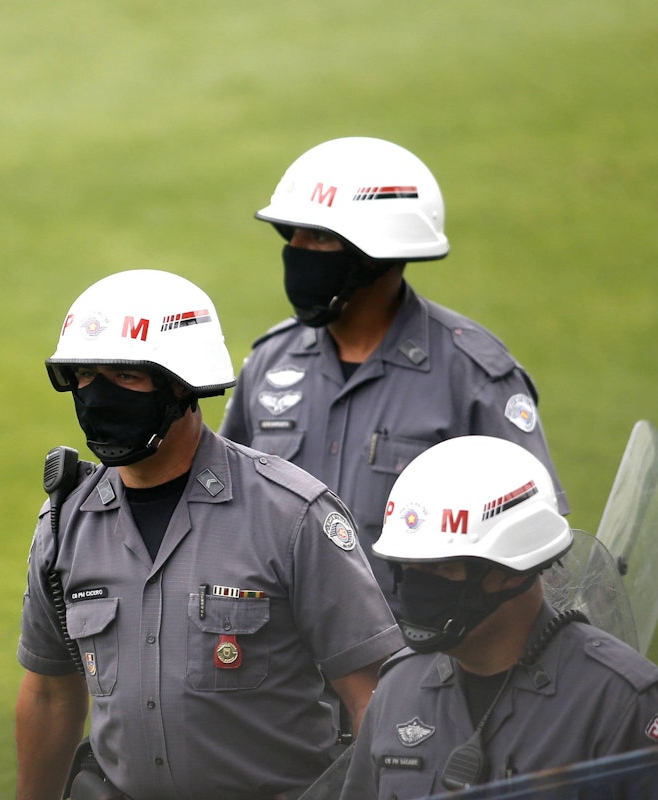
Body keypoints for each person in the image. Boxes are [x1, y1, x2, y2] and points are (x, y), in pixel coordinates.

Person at [15, 269, 403, 800]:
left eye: (125, 377)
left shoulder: (290, 513)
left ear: (183, 384)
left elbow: (374, 695)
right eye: (83, 375)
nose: (97, 396)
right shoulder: (66, 524)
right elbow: (51, 693)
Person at [219, 136, 568, 613]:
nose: (298, 251)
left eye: (319, 237)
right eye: (292, 234)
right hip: (285, 670)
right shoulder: (269, 362)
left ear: (376, 254)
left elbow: (531, 548)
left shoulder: (474, 375)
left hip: (416, 668)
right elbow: (224, 511)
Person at [339, 435, 658, 799]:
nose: (415, 589)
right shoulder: (397, 688)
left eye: (441, 569)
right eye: (406, 568)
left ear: (513, 572)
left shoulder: (620, 702)